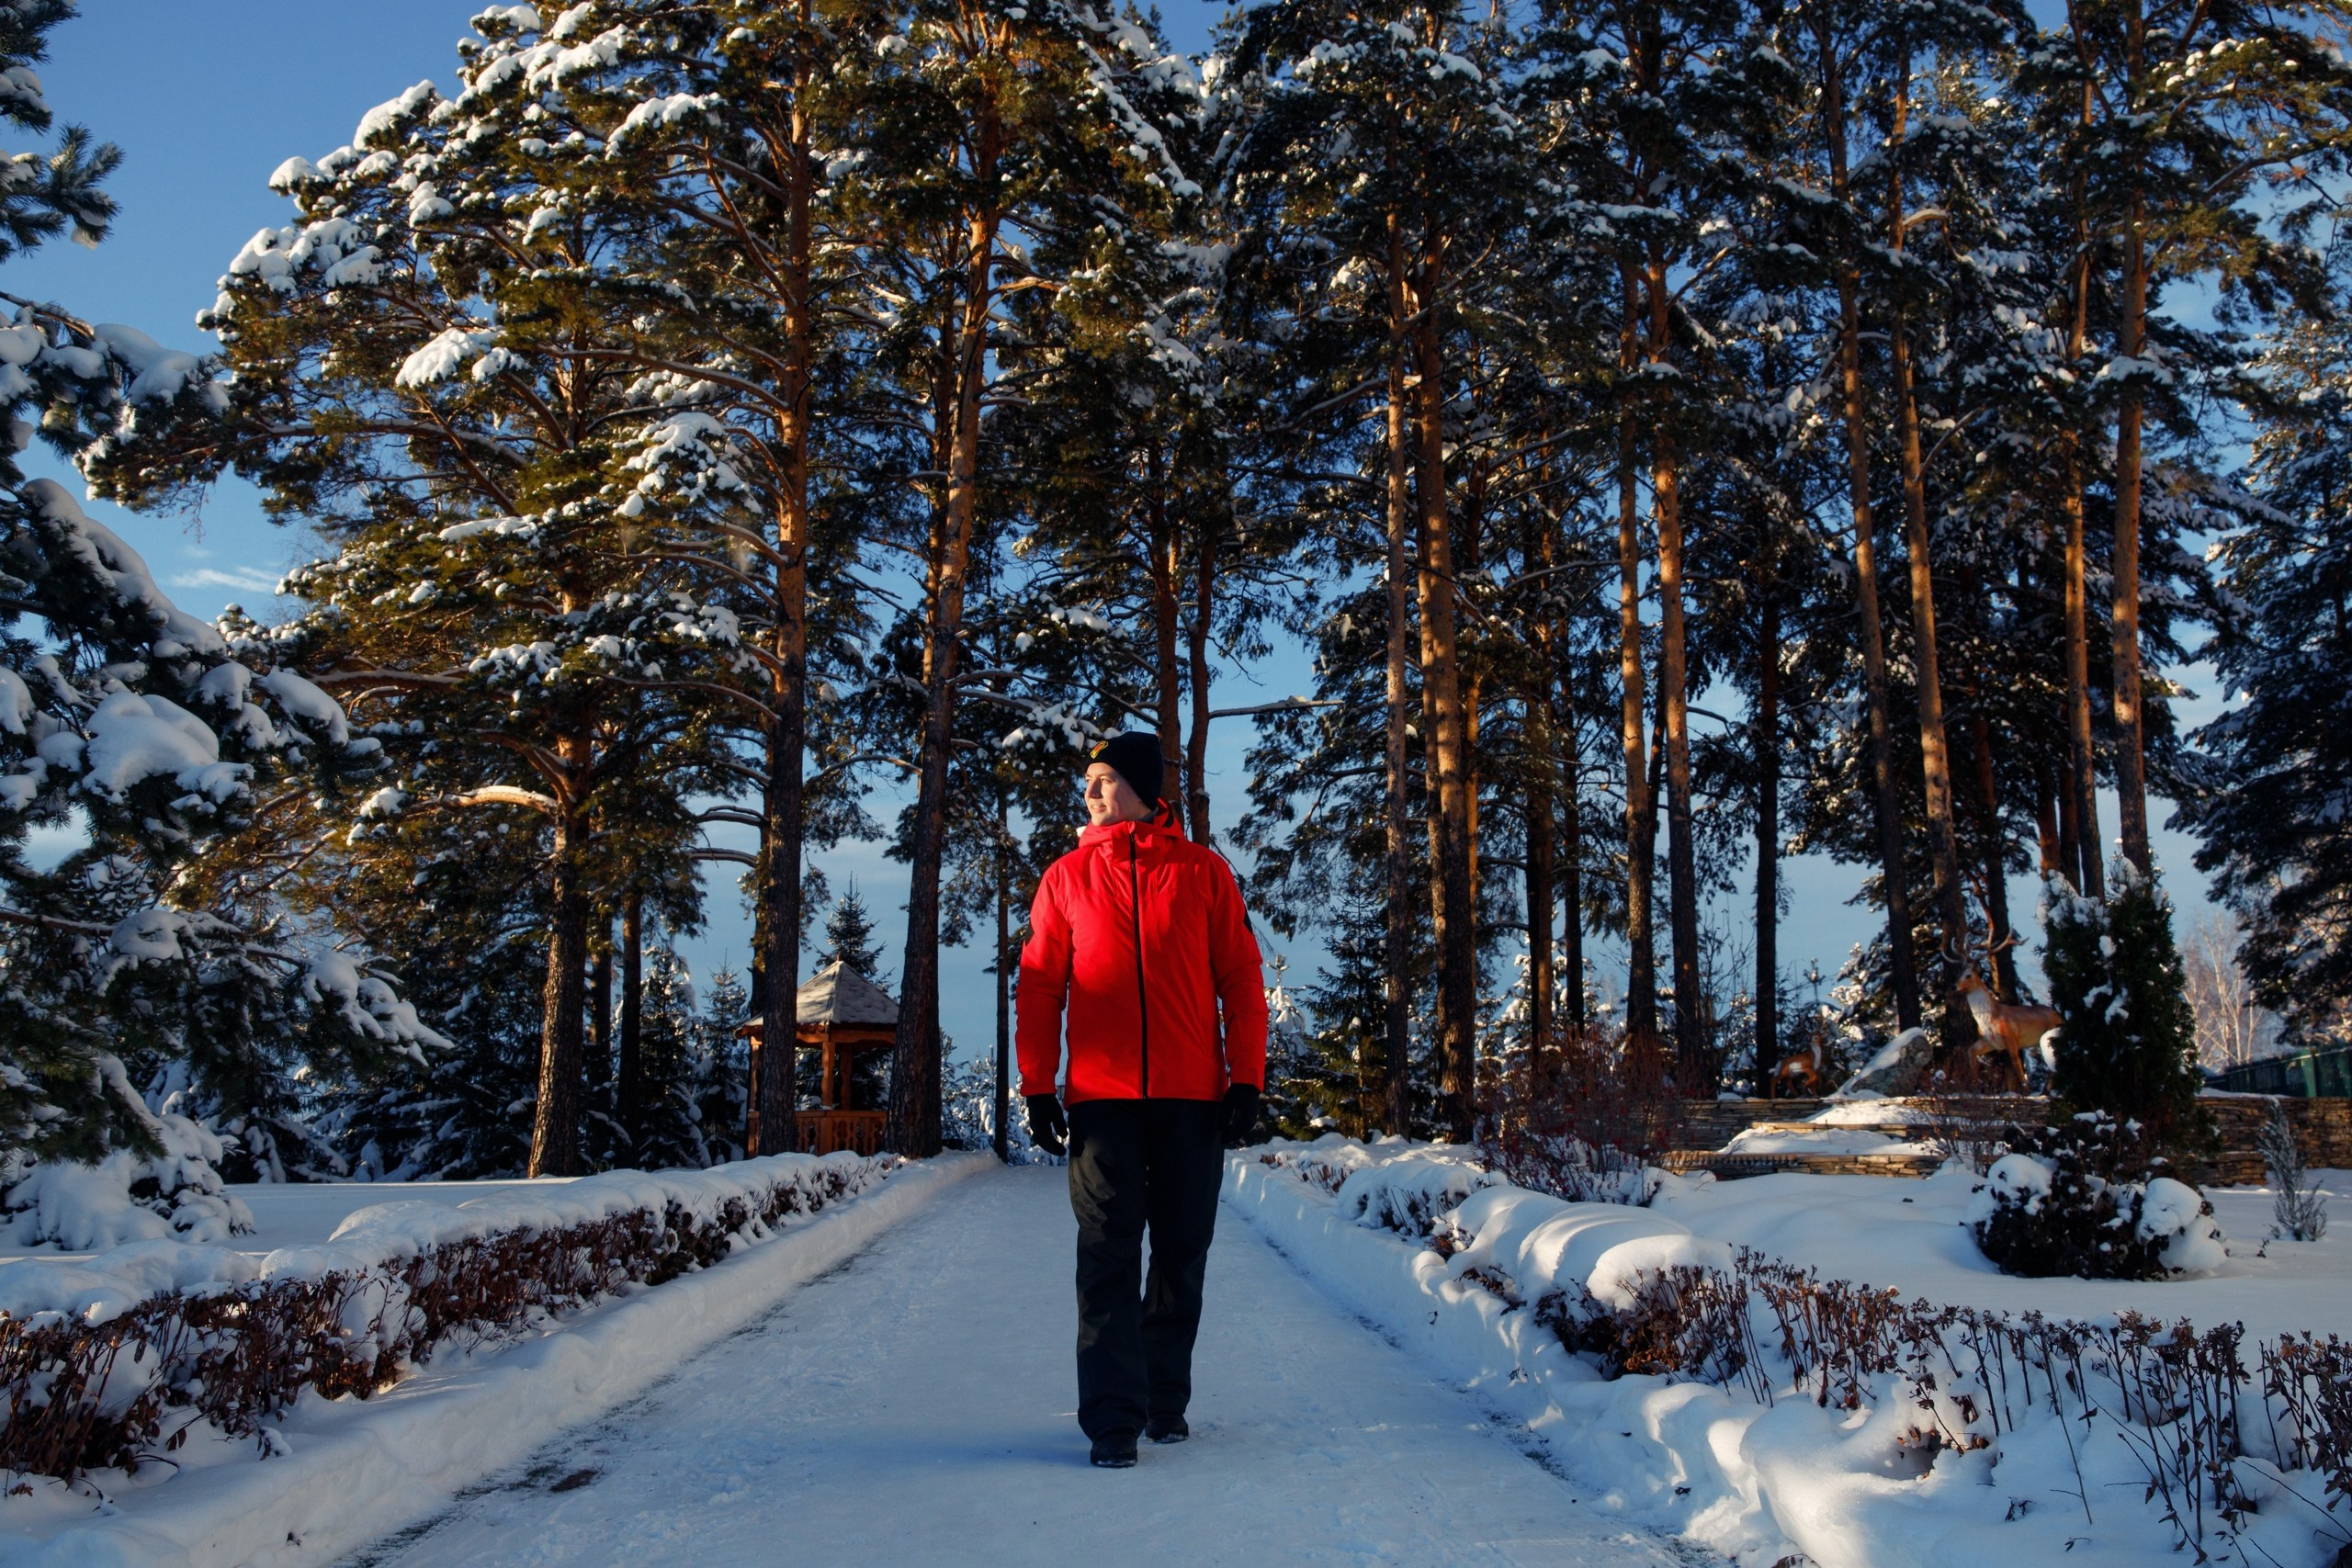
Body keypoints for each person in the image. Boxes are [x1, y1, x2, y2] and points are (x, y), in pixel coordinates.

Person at [1015, 732, 1267, 1469]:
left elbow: (1241, 979)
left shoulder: (1203, 873)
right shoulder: (1065, 878)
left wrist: (1244, 1078)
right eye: (1089, 780)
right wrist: (1037, 1083)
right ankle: (1113, 1421)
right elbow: (1039, 988)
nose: (1091, 793)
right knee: (1107, 1255)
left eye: (1105, 780)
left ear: (1143, 787)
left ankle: (1165, 1400)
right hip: (1103, 1100)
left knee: (1181, 1252)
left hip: (1192, 1097)